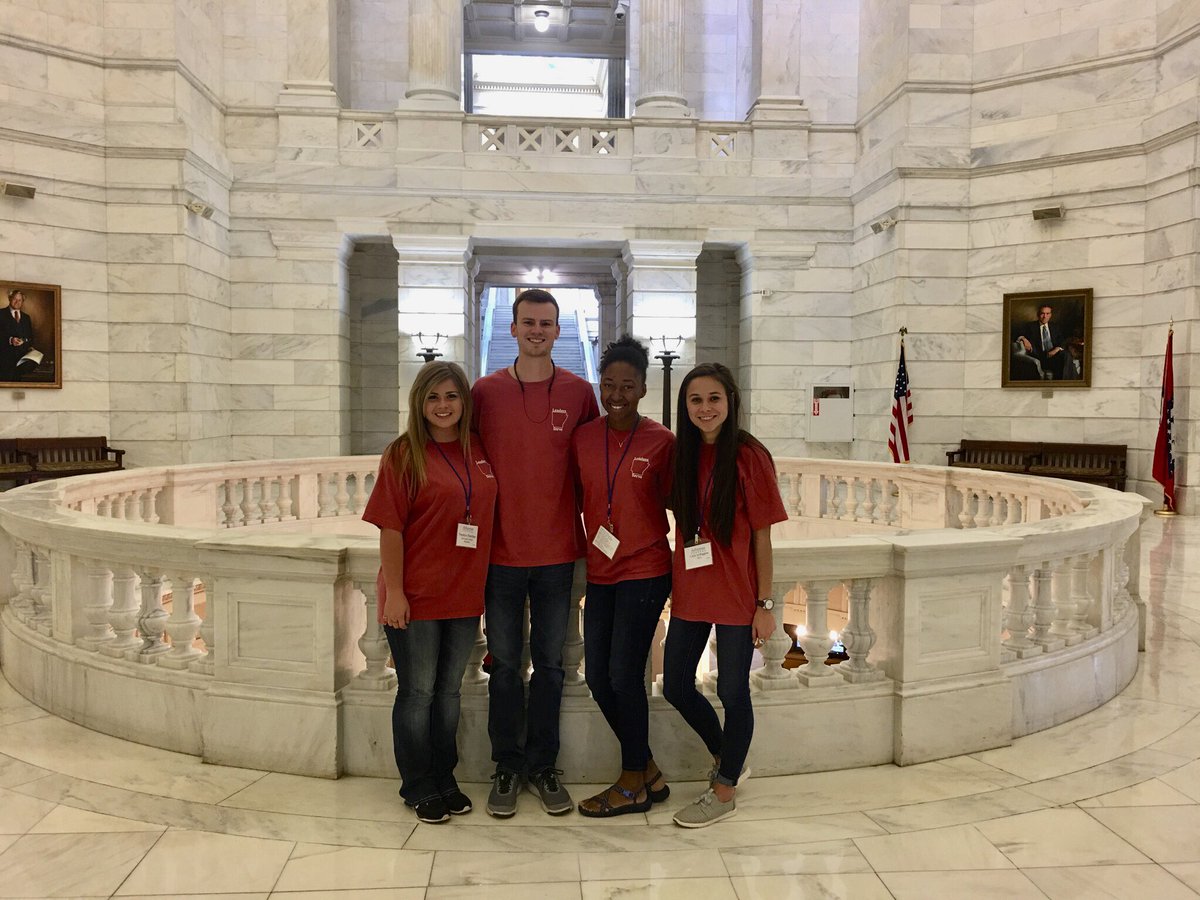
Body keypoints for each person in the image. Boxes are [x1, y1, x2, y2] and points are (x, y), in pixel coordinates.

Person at [471, 288, 600, 817]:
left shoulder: (580, 392)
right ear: (512, 328)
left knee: (549, 666)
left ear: (558, 331)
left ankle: (543, 766)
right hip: (499, 558)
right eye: (529, 322)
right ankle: (506, 764)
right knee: (503, 667)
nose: (537, 330)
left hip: (557, 557)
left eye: (547, 323)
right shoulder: (483, 392)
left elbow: (595, 471)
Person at [362, 361, 498, 824]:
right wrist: (395, 592)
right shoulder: (403, 454)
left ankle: (445, 777)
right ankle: (417, 783)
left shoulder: (477, 449)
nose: (443, 406)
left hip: (463, 595)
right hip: (416, 595)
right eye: (433, 397)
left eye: (452, 396)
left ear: (465, 401)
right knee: (418, 693)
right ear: (419, 404)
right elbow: (391, 529)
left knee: (449, 693)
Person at [661, 362, 787, 828]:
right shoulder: (683, 454)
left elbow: (762, 536)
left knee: (734, 691)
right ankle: (726, 754)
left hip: (737, 596)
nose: (705, 408)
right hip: (692, 592)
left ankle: (725, 789)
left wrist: (765, 604)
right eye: (696, 400)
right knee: (675, 684)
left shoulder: (749, 455)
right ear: (685, 406)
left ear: (730, 401)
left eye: (714, 398)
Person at [571, 336, 675, 817]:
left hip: (646, 569)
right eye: (608, 383)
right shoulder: (584, 438)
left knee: (624, 675)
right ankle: (647, 769)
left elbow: (684, 503)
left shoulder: (661, 442)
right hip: (601, 570)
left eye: (627, 385)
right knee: (597, 676)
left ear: (644, 388)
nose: (616, 393)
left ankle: (633, 782)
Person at [1015, 304, 1065, 380]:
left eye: (1047, 313)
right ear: (1038, 314)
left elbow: (1062, 341)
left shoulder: (1055, 327)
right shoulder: (1030, 326)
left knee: (1066, 356)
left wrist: (1057, 349)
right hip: (1040, 358)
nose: (1045, 316)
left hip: (1054, 356)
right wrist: (1024, 339)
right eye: (1042, 313)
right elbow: (1014, 334)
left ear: (1050, 315)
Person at [1, 289, 35, 381]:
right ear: (9, 299)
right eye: (15, 299)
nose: (17, 302)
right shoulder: (1, 314)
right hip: (3, 362)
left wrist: (24, 341)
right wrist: (10, 340)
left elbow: (30, 338)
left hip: (22, 363)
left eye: (20, 300)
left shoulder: (26, 317)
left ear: (22, 302)